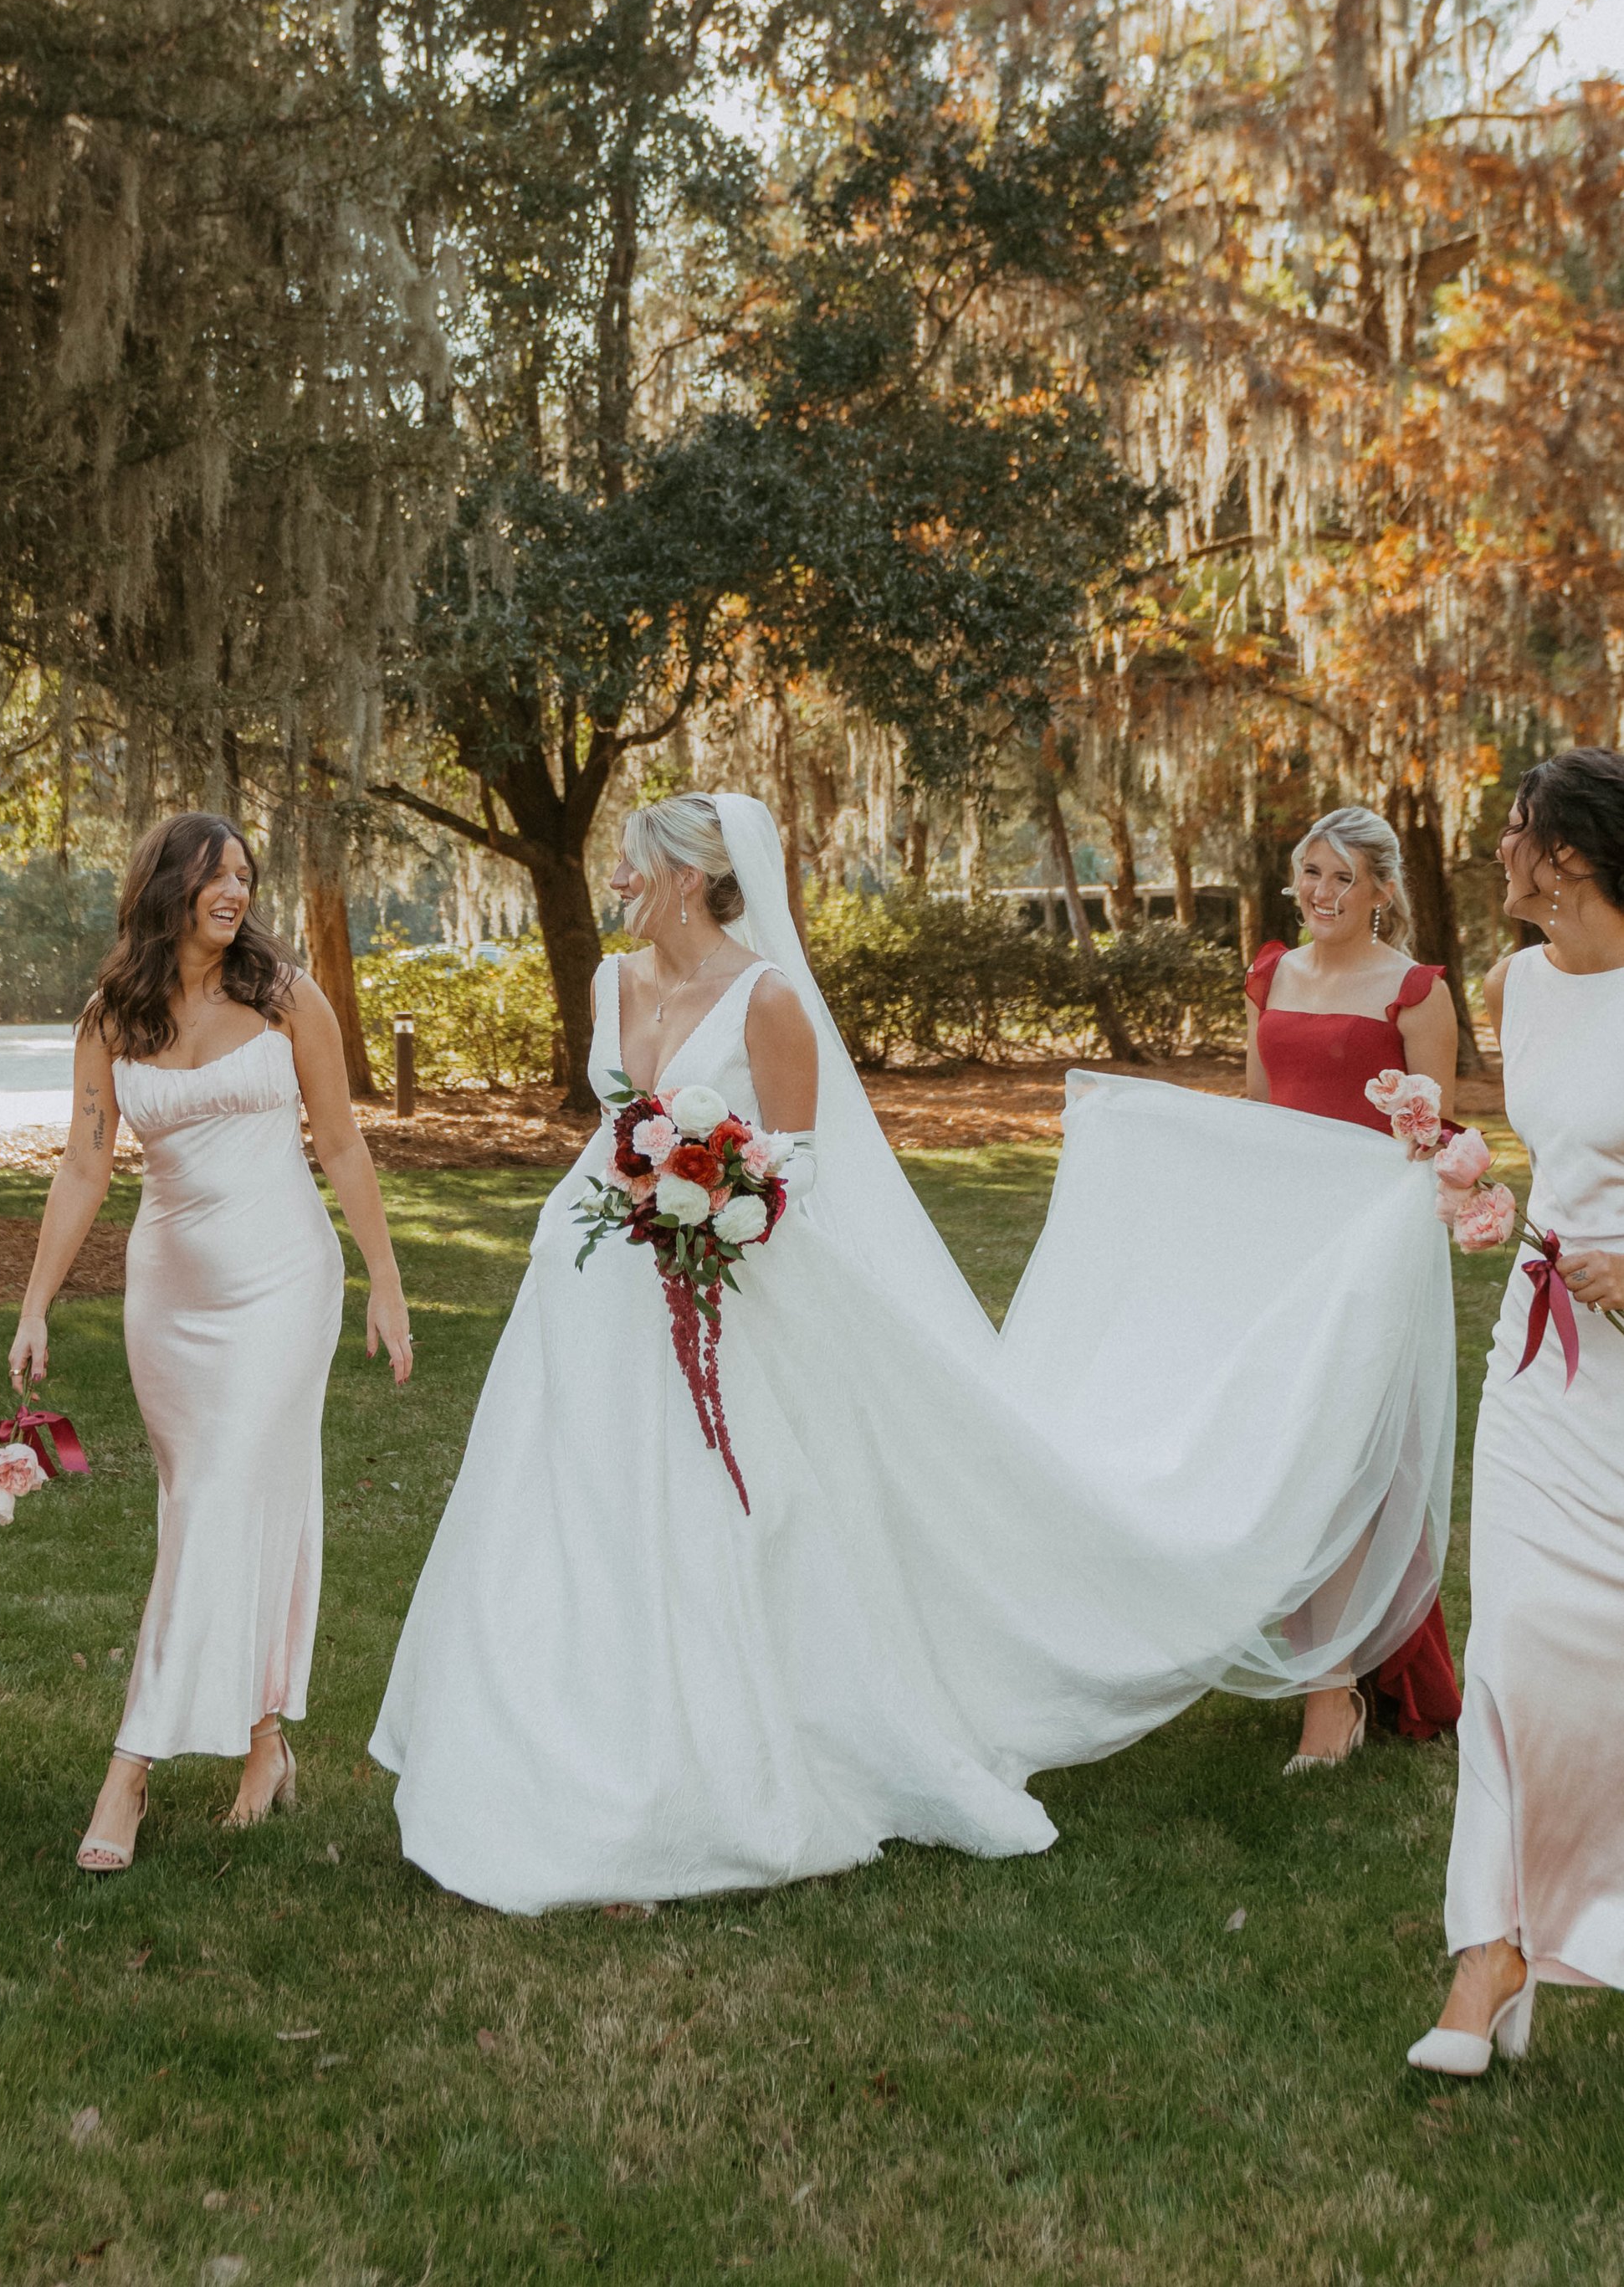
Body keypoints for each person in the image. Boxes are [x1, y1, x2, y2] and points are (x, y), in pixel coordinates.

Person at [374, 790, 1456, 1915]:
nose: (616, 882)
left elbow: (794, 1166)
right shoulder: (609, 982)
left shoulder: (769, 999)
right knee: (571, 1507)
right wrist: (629, 1200)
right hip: (591, 1285)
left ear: (690, 876)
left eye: (633, 865)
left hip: (726, 1284)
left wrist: (709, 1206)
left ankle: (706, 1766)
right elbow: (609, 1130)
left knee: (726, 1519)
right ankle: (536, 1744)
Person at [10, 812, 412, 1872]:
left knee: (223, 1501)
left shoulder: (285, 998)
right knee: (209, 1508)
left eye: (244, 877)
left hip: (283, 1279)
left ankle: (130, 1768)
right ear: (165, 888)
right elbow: (84, 1165)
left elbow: (338, 1140)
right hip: (171, 1296)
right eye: (213, 877)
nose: (233, 894)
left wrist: (385, 1277)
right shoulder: (111, 1016)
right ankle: (263, 1743)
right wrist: (36, 1304)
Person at [1408, 748, 1624, 2077]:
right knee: (1519, 1641)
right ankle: (1489, 1957)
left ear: (1575, 857)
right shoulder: (1516, 984)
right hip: (1543, 1360)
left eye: (1518, 830)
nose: (1498, 846)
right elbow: (1568, 1156)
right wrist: (1490, 1202)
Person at [1243, 805, 1463, 1767]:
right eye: (1309, 874)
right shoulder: (1270, 973)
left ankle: (1336, 1692)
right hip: (1279, 1239)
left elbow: (1429, 1140)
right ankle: (1321, 1670)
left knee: (1351, 1461)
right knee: (1285, 1454)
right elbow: (1255, 1114)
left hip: (1370, 1247)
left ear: (1381, 891)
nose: (1320, 895)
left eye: (1340, 878)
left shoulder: (1415, 993)